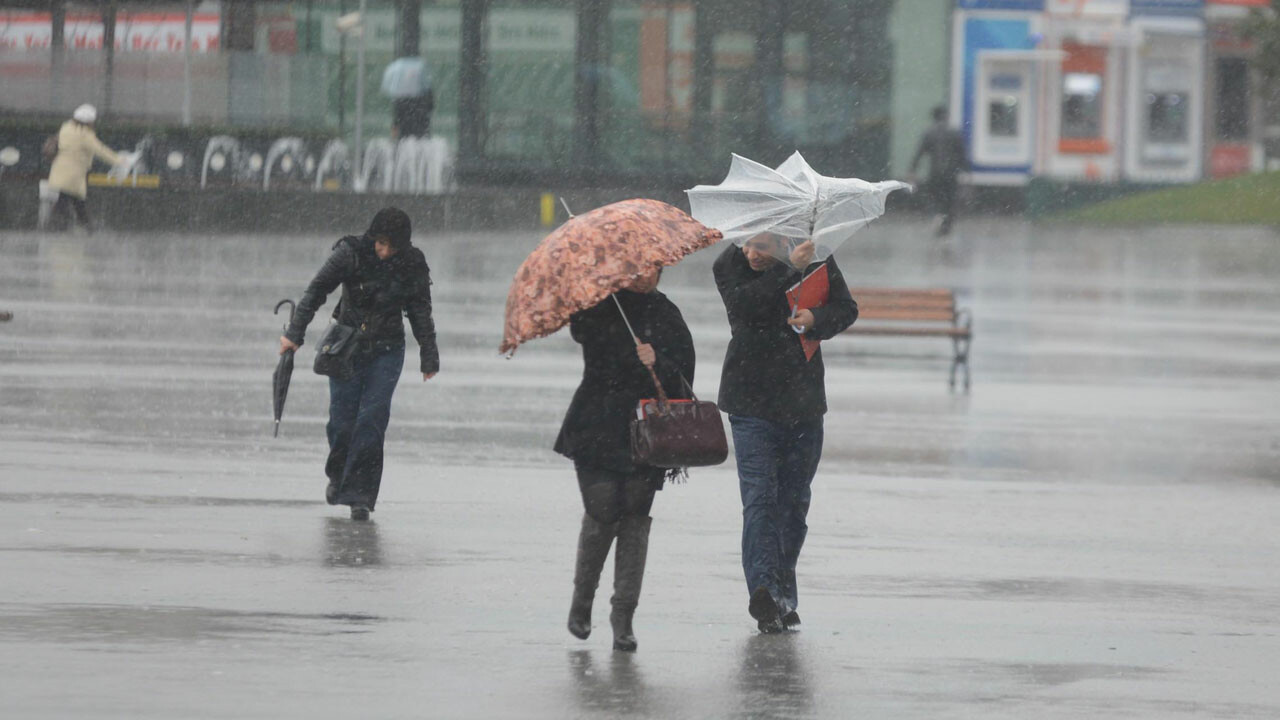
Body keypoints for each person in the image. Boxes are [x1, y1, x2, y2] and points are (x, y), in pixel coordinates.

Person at [713, 233, 857, 632]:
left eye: (760, 246)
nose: (751, 253)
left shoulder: (816, 259)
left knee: (793, 506)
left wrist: (817, 320)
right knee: (760, 499)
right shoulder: (729, 265)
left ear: (780, 237)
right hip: (749, 403)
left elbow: (846, 309)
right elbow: (747, 306)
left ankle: (782, 595)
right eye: (747, 245)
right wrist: (790, 268)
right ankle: (762, 590)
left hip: (803, 403)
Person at [557, 268, 695, 652]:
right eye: (636, 268)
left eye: (653, 268)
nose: (644, 276)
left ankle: (624, 615)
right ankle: (583, 600)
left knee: (634, 519)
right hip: (595, 424)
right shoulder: (600, 305)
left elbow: (684, 377)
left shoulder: (667, 313)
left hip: (646, 431)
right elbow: (582, 332)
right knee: (603, 512)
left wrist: (657, 361)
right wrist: (591, 291)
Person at [279, 207, 438, 521]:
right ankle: (338, 474)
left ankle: (360, 496)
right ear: (372, 236)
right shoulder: (350, 252)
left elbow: (420, 310)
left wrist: (428, 355)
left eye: (392, 246)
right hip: (345, 347)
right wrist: (295, 333)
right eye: (380, 243)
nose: (384, 252)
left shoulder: (412, 263)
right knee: (343, 421)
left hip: (388, 350)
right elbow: (317, 290)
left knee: (372, 420)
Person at [45, 104, 132, 232]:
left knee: (72, 200)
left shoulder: (66, 128)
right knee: (71, 200)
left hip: (60, 169)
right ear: (88, 121)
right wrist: (119, 161)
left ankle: (79, 226)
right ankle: (75, 227)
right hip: (73, 173)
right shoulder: (84, 135)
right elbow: (101, 150)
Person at [909, 105, 968, 236]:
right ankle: (946, 226)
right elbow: (962, 154)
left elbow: (919, 153)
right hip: (951, 174)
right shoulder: (954, 133)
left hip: (935, 173)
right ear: (946, 116)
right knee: (950, 200)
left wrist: (912, 170)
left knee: (935, 198)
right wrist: (966, 172)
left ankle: (938, 216)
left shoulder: (929, 133)